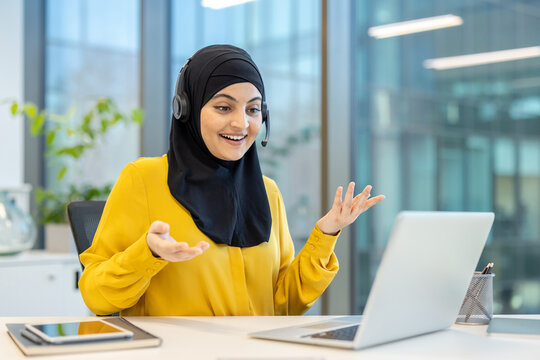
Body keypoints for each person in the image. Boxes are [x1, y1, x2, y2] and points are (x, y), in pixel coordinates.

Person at [79, 44, 385, 316]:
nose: (242, 123)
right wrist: (148, 253)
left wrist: (326, 233)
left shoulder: (267, 191)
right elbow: (95, 296)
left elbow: (284, 305)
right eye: (224, 107)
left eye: (253, 109)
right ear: (186, 109)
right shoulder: (144, 179)